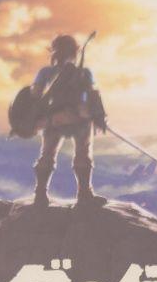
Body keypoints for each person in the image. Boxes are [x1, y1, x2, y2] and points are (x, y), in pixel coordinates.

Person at [31, 34, 107, 207]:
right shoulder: (84, 72)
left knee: (48, 154)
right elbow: (92, 95)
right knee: (82, 154)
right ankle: (84, 194)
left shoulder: (46, 72)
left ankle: (40, 194)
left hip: (55, 120)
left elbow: (35, 95)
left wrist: (42, 117)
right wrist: (96, 116)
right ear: (74, 52)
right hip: (77, 119)